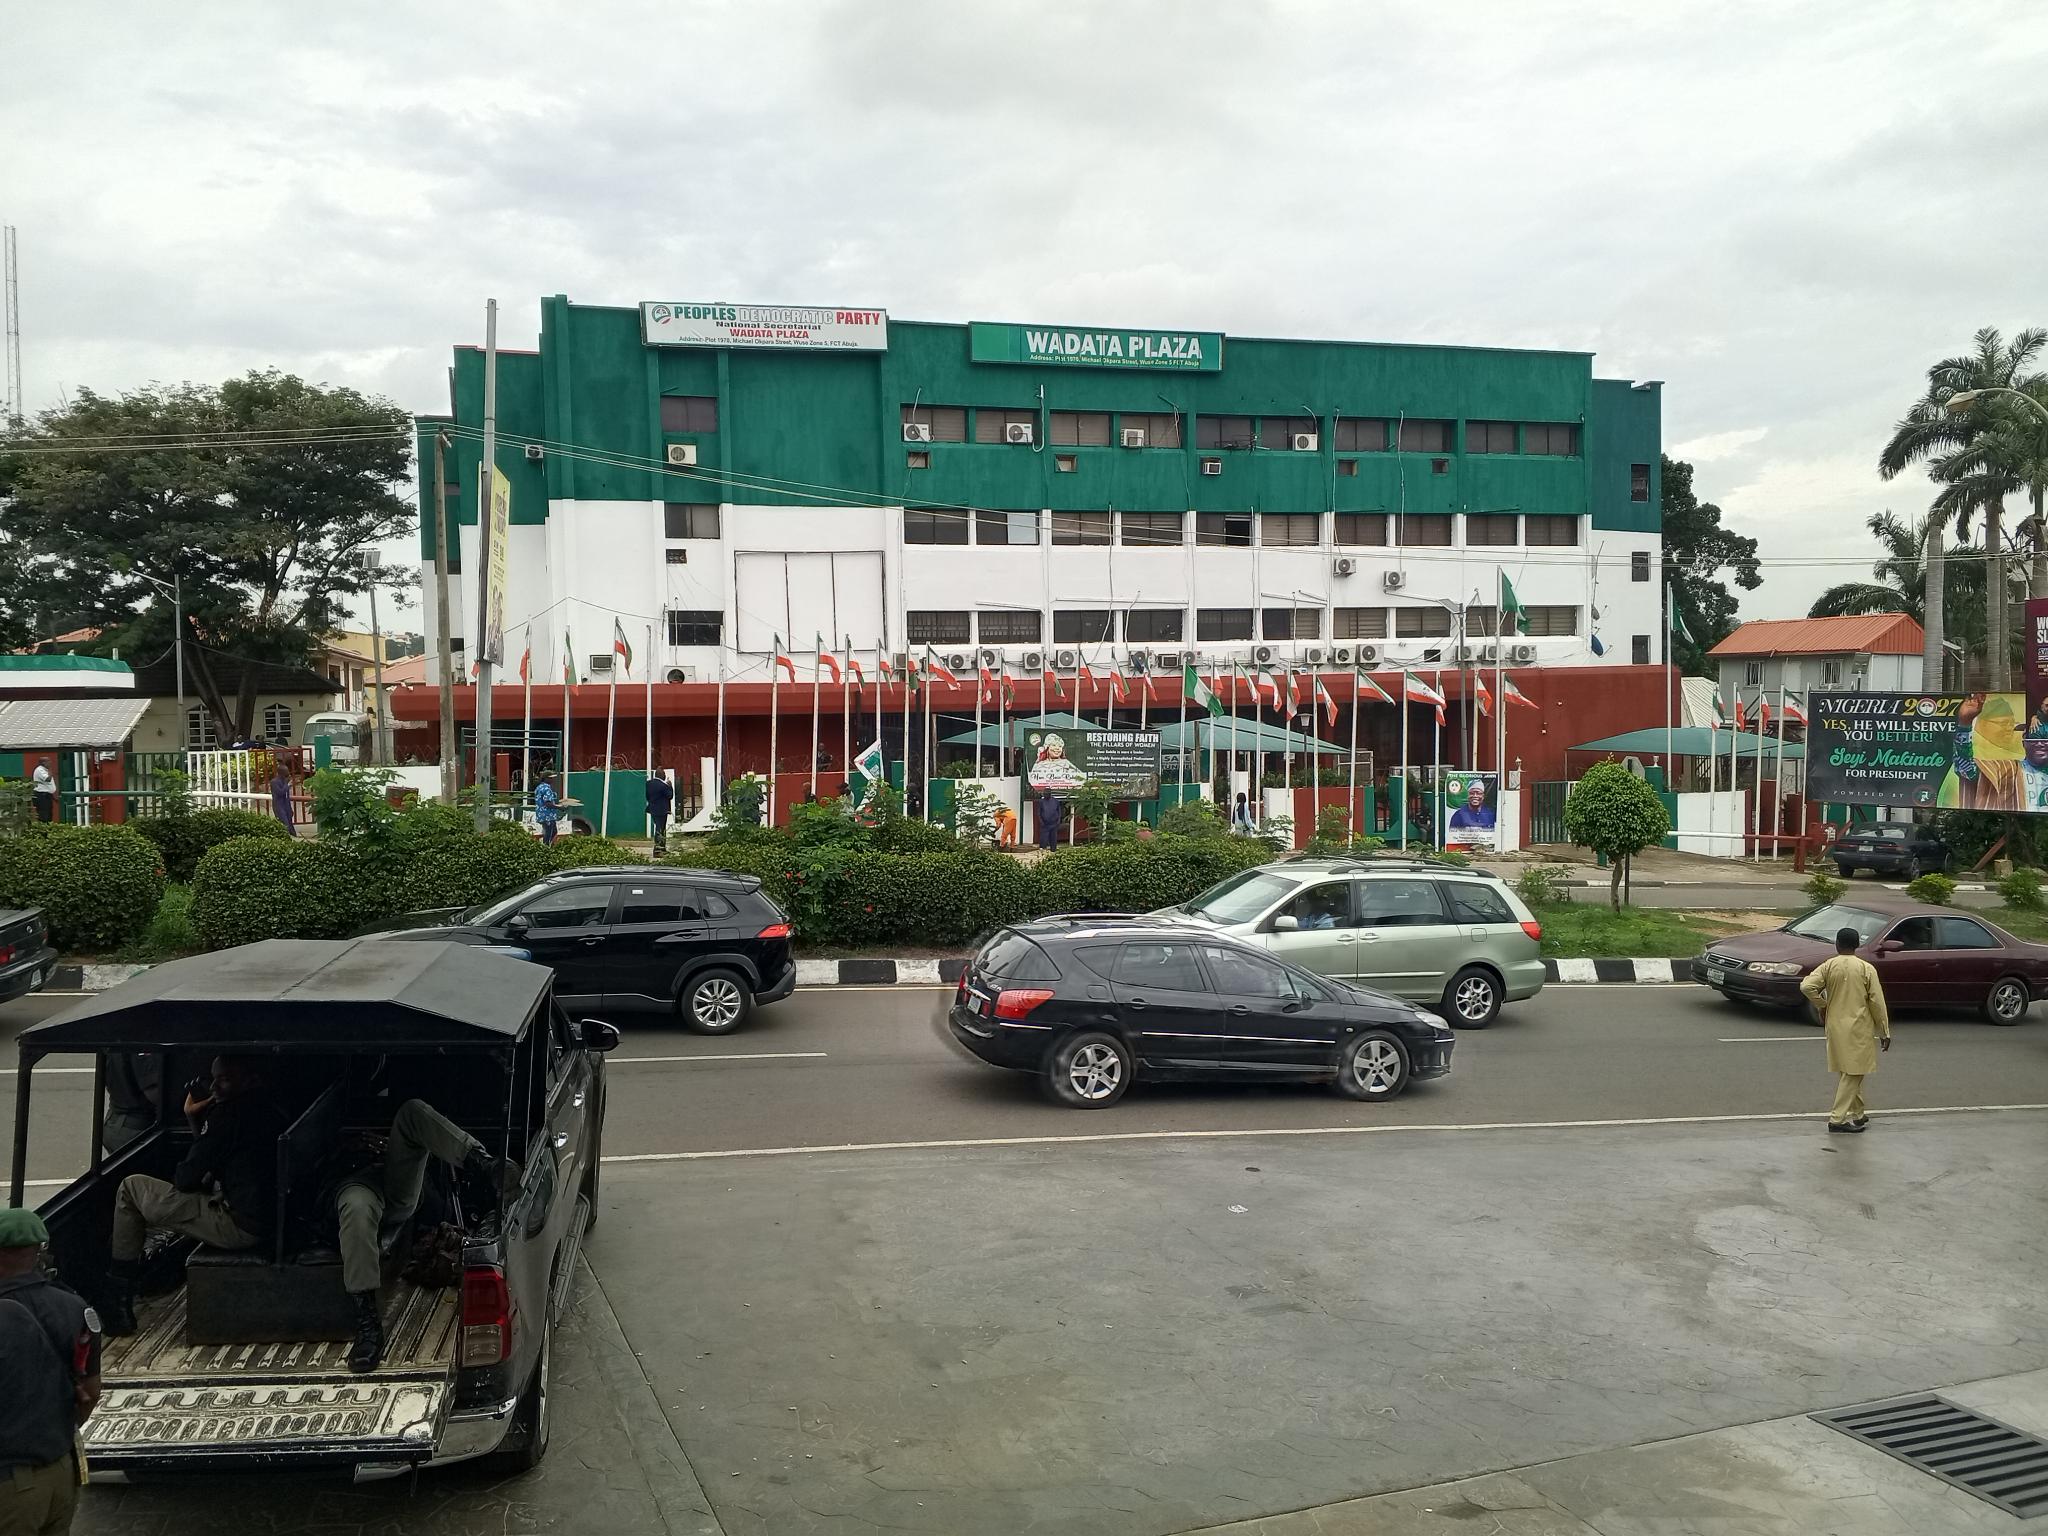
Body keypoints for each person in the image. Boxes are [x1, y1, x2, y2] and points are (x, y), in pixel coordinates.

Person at [104, 1057, 287, 1334]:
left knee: (130, 1188)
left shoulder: (227, 1116)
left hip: (239, 1227)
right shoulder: (273, 1109)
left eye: (224, 1079)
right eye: (213, 1079)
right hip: (269, 1217)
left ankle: (117, 1298)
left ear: (250, 1080)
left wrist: (194, 1118)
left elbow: (187, 1178)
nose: (214, 1087)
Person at [332, 1100, 510, 1374]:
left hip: (387, 1175)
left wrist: (379, 1144)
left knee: (412, 1111)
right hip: (347, 1184)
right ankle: (367, 1321)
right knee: (357, 1206)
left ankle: (483, 1162)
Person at [0, 1208, 100, 1536]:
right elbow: (90, 1393)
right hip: (61, 1474)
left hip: (9, 1486)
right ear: (39, 1251)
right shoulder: (74, 1306)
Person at [1799, 927, 1891, 1133]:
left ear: (1837, 945)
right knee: (1855, 1072)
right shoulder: (1866, 968)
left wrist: (1822, 1005)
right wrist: (1884, 1031)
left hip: (1834, 1024)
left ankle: (1858, 1114)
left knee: (1847, 1069)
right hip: (1858, 1026)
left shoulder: (1829, 965)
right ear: (1857, 945)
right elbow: (1877, 1002)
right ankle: (1837, 1119)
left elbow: (1806, 987)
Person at [102, 1052, 162, 1154]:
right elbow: (153, 1092)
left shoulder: (119, 1037)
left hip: (116, 1118)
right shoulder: (143, 1042)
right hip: (137, 1127)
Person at [645, 769, 674, 855]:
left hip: (653, 809)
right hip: (662, 810)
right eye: (664, 774)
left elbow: (647, 797)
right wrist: (670, 786)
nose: (665, 775)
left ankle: (661, 848)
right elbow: (670, 795)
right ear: (661, 775)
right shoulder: (663, 785)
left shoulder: (649, 784)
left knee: (658, 828)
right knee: (660, 829)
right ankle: (658, 849)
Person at [533, 772, 561, 848]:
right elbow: (548, 803)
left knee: (551, 832)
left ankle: (549, 848)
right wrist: (560, 807)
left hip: (541, 814)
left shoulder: (539, 787)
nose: (552, 779)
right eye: (550, 778)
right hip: (548, 815)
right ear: (545, 779)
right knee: (550, 833)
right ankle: (546, 849)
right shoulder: (547, 789)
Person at [269, 761, 296, 834]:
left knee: (290, 826)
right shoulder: (274, 782)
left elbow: (286, 797)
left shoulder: (285, 781)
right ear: (281, 773)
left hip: (286, 806)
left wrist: (290, 809)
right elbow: (280, 793)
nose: (288, 773)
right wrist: (288, 785)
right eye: (286, 772)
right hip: (279, 806)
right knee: (285, 825)